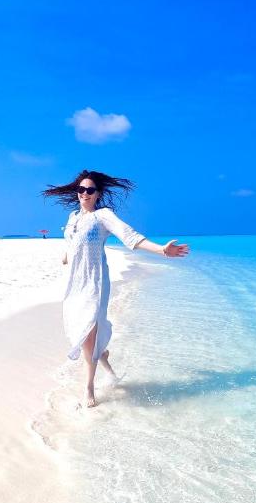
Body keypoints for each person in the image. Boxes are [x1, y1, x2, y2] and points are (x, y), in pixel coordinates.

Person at [42, 170, 189, 407]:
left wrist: (161, 250)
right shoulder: (72, 217)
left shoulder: (103, 216)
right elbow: (71, 241)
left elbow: (129, 236)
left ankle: (88, 387)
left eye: (90, 190)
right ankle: (103, 357)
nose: (85, 194)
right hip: (74, 282)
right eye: (81, 190)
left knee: (89, 328)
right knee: (82, 330)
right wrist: (66, 256)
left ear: (98, 193)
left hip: (95, 282)